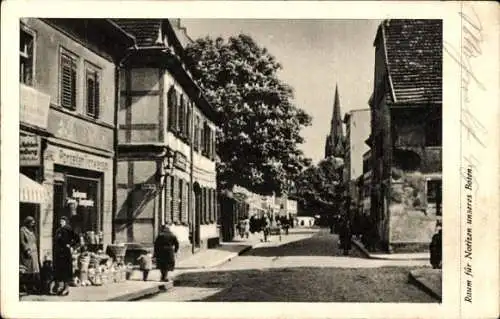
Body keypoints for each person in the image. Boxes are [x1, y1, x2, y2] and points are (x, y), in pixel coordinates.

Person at [53, 216, 78, 296]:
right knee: (60, 271)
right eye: (60, 220)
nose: (61, 222)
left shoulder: (68, 229)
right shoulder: (58, 230)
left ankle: (66, 289)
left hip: (66, 254)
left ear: (66, 222)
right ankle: (61, 288)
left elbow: (77, 238)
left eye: (63, 221)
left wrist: (71, 245)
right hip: (58, 253)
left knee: (66, 271)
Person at [20, 216, 41, 294]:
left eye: (34, 222)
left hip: (34, 251)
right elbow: (22, 241)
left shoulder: (32, 230)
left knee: (35, 270)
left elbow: (34, 240)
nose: (33, 224)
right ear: (28, 222)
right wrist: (27, 250)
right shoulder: (23, 230)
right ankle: (26, 287)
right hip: (28, 252)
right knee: (28, 269)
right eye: (32, 222)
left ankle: (33, 287)